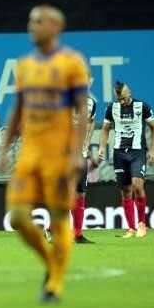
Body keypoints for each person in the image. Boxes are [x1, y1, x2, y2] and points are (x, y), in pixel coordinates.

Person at [0, 5, 90, 303]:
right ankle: (52, 263)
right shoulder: (23, 65)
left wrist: (77, 153)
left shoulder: (72, 63)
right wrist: (4, 149)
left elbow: (82, 110)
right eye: (30, 21)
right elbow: (18, 110)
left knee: (59, 217)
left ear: (54, 27)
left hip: (58, 155)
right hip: (29, 154)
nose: (30, 26)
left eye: (36, 22)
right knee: (20, 217)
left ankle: (54, 285)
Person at [98, 81, 154, 239]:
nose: (122, 102)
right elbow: (105, 129)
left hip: (137, 152)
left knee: (137, 184)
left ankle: (141, 224)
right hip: (119, 153)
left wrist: (153, 149)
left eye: (124, 98)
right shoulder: (112, 108)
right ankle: (131, 228)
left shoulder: (142, 106)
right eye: (119, 99)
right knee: (125, 191)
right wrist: (102, 147)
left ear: (129, 92)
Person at [69, 91, 97, 244]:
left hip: (81, 154)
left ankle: (78, 234)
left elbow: (92, 121)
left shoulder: (91, 103)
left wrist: (87, 139)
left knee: (80, 194)